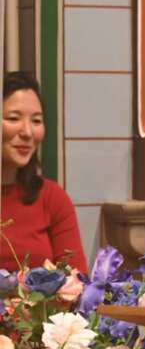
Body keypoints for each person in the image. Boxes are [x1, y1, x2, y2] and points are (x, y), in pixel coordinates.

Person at [1, 71, 87, 273]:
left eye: (36, 121)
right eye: (13, 118)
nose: (27, 132)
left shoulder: (52, 198)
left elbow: (77, 279)